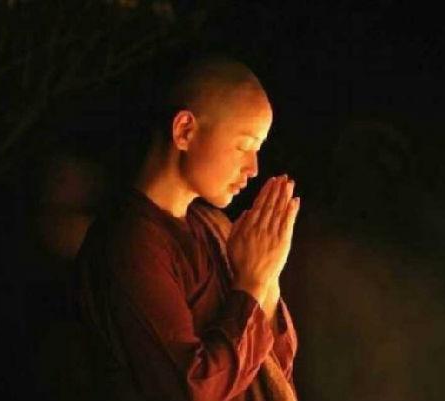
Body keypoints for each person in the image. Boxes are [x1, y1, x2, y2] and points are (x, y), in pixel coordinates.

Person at [74, 57, 300, 401]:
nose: (253, 168)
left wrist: (267, 279)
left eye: (258, 149)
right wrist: (252, 284)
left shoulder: (213, 228)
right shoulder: (130, 243)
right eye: (244, 146)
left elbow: (273, 369)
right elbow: (192, 389)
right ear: (184, 131)